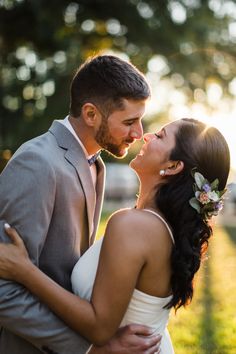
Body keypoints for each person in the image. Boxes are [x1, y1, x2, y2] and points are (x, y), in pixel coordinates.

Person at [0, 118, 230, 353]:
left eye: (160, 136)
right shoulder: (158, 226)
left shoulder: (134, 225)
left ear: (173, 166)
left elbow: (99, 327)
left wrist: (24, 270)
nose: (146, 136)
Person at [0, 55, 163, 354]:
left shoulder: (95, 163)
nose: (139, 133)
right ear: (90, 114)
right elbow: (3, 289)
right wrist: (87, 349)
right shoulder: (37, 163)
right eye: (129, 121)